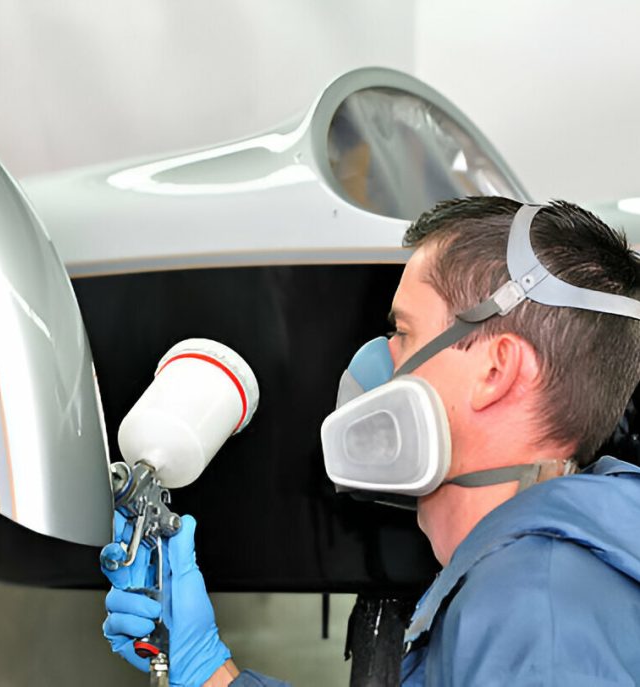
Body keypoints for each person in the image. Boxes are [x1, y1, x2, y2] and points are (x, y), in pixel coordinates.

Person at [100, 196, 640, 686]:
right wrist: (205, 669)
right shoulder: (544, 577)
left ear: (495, 370)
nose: (382, 361)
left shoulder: (535, 614)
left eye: (403, 332)